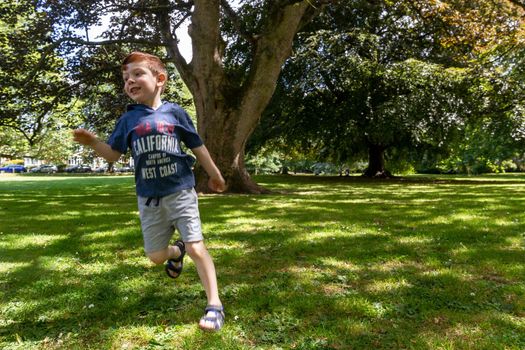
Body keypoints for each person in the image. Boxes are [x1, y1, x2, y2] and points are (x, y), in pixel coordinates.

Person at [73, 51, 226, 332]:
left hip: (180, 191)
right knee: (156, 256)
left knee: (196, 245)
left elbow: (197, 146)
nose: (130, 81)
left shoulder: (175, 112)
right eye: (125, 78)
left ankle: (214, 305)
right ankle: (174, 253)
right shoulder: (128, 120)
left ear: (160, 79)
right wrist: (94, 142)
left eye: (137, 74)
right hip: (149, 198)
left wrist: (215, 175)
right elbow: (113, 155)